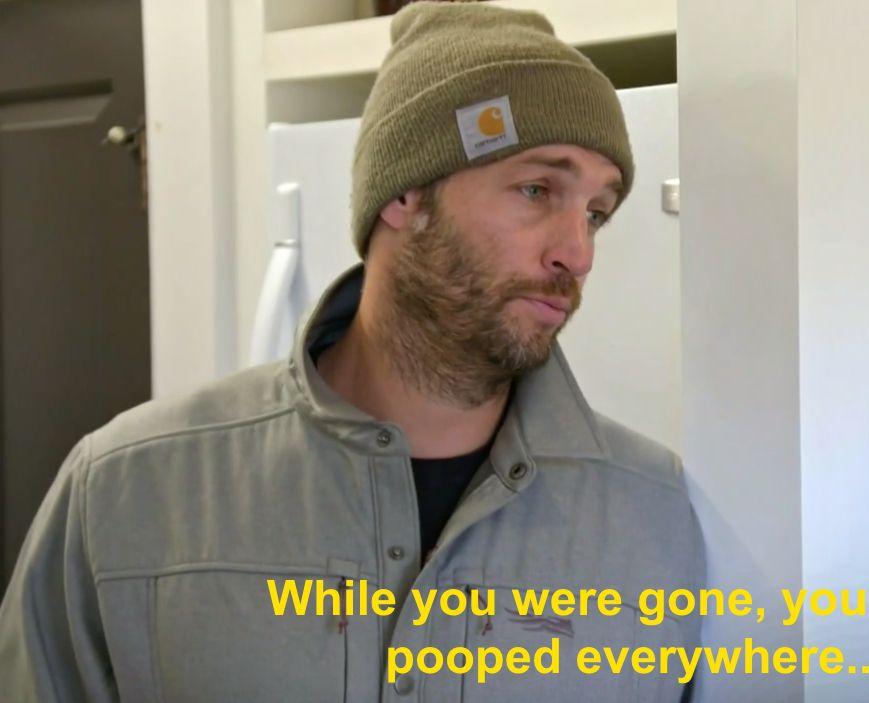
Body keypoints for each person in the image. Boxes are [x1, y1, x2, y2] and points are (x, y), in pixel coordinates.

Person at [0, 2, 705, 700]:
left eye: (596, 213)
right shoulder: (126, 491)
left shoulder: (655, 514)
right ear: (406, 195)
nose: (577, 253)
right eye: (536, 189)